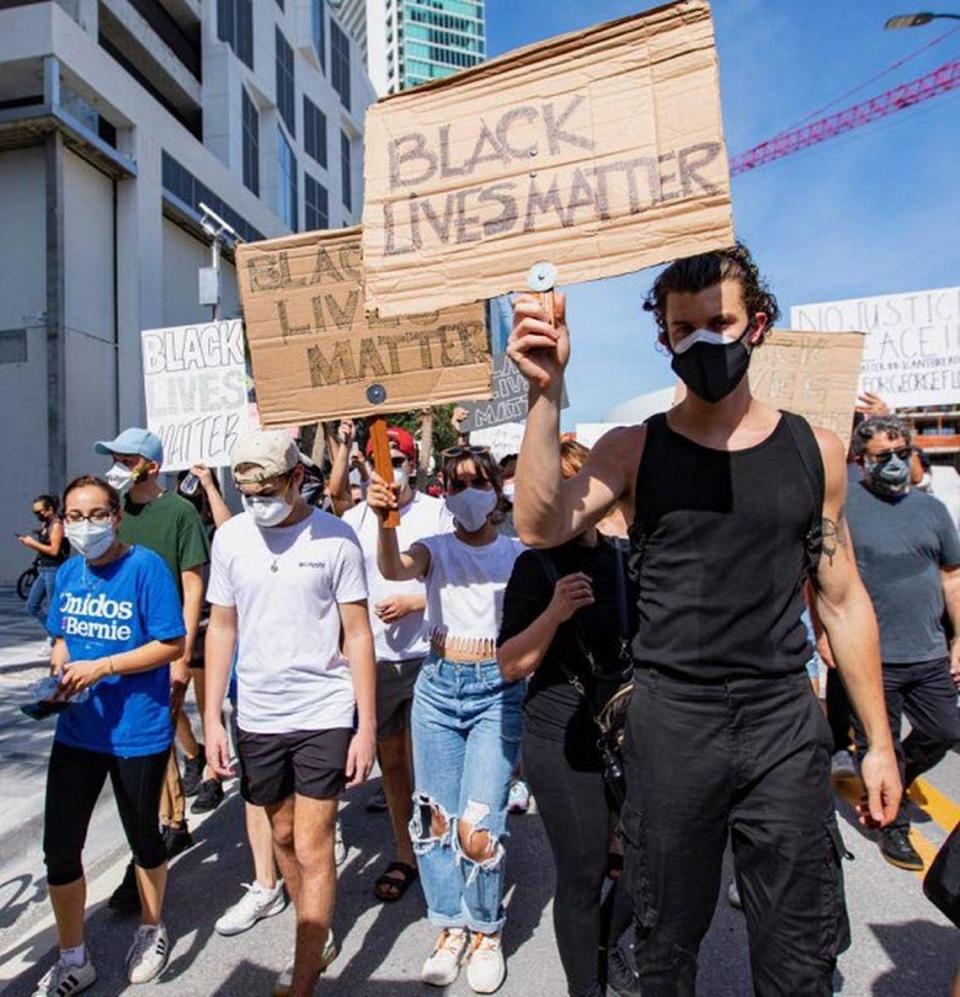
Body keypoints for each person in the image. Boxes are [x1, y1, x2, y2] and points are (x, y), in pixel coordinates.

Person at [508, 242, 900, 997]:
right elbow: (537, 522)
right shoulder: (632, 450)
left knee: (799, 952)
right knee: (664, 943)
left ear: (756, 324)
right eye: (683, 329)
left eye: (718, 321)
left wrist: (878, 743)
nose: (702, 341)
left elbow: (843, 601)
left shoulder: (813, 450)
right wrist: (545, 394)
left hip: (782, 719)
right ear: (664, 340)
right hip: (672, 720)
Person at [203, 429, 376, 997]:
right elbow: (222, 627)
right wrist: (211, 720)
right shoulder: (230, 539)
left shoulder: (336, 538)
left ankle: (303, 981)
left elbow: (357, 634)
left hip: (324, 710)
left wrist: (365, 726)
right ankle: (315, 927)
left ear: (298, 477)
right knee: (280, 834)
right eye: (247, 492)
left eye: (268, 489)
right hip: (256, 714)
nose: (257, 501)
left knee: (314, 841)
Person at [369, 445, 524, 994]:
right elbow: (394, 568)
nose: (467, 494)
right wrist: (384, 522)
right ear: (443, 492)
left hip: (496, 689)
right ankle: (450, 926)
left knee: (478, 826)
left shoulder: (517, 553)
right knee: (434, 817)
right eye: (455, 485)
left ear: (496, 491)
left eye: (477, 482)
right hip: (437, 686)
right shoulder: (433, 549)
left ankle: (487, 930)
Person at [31, 476, 185, 996]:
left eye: (95, 514)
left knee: (143, 837)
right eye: (73, 516)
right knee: (60, 848)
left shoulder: (145, 569)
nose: (83, 525)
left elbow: (170, 642)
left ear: (116, 518)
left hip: (135, 732)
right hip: (78, 728)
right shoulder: (71, 570)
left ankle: (151, 927)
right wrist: (61, 662)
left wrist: (104, 666)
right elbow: (60, 632)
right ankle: (73, 955)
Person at [498, 440, 636, 997]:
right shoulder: (535, 566)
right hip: (560, 737)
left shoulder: (625, 558)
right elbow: (511, 665)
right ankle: (588, 986)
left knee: (653, 863)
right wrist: (554, 613)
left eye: (577, 485)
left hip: (627, 731)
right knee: (583, 878)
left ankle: (602, 945)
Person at [93, 428, 210, 912]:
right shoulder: (115, 514)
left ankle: (145, 856)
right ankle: (171, 823)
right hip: (121, 651)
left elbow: (192, 583)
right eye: (114, 456)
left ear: (151, 466)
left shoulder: (179, 513)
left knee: (146, 750)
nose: (117, 464)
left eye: (126, 457)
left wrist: (181, 655)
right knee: (144, 749)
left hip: (162, 649)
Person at [342, 425, 452, 903]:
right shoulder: (353, 520)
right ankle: (405, 851)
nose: (392, 470)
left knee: (432, 760)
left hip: (431, 652)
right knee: (391, 762)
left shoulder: (438, 513)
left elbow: (461, 583)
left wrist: (415, 603)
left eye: (399, 460)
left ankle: (442, 848)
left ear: (413, 464)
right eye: (379, 460)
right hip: (380, 660)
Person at [845, 415, 960, 871]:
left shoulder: (932, 511)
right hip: (872, 657)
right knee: (881, 742)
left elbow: (952, 579)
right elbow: (825, 583)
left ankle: (896, 777)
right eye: (881, 456)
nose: (893, 463)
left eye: (900, 454)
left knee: (946, 731)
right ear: (861, 461)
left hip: (929, 652)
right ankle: (893, 827)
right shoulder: (845, 506)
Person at [174, 465, 229, 814]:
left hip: (209, 625)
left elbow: (230, 529)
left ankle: (213, 774)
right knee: (170, 702)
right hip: (174, 623)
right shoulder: (175, 523)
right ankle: (193, 754)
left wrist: (209, 485)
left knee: (208, 702)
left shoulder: (215, 529)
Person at [19, 494, 69, 644]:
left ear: (50, 509)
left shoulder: (57, 525)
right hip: (43, 569)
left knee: (54, 607)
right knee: (31, 605)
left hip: (54, 569)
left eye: (40, 511)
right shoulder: (46, 524)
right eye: (35, 512)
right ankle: (54, 634)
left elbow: (54, 550)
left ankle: (58, 639)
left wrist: (32, 543)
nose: (37, 515)